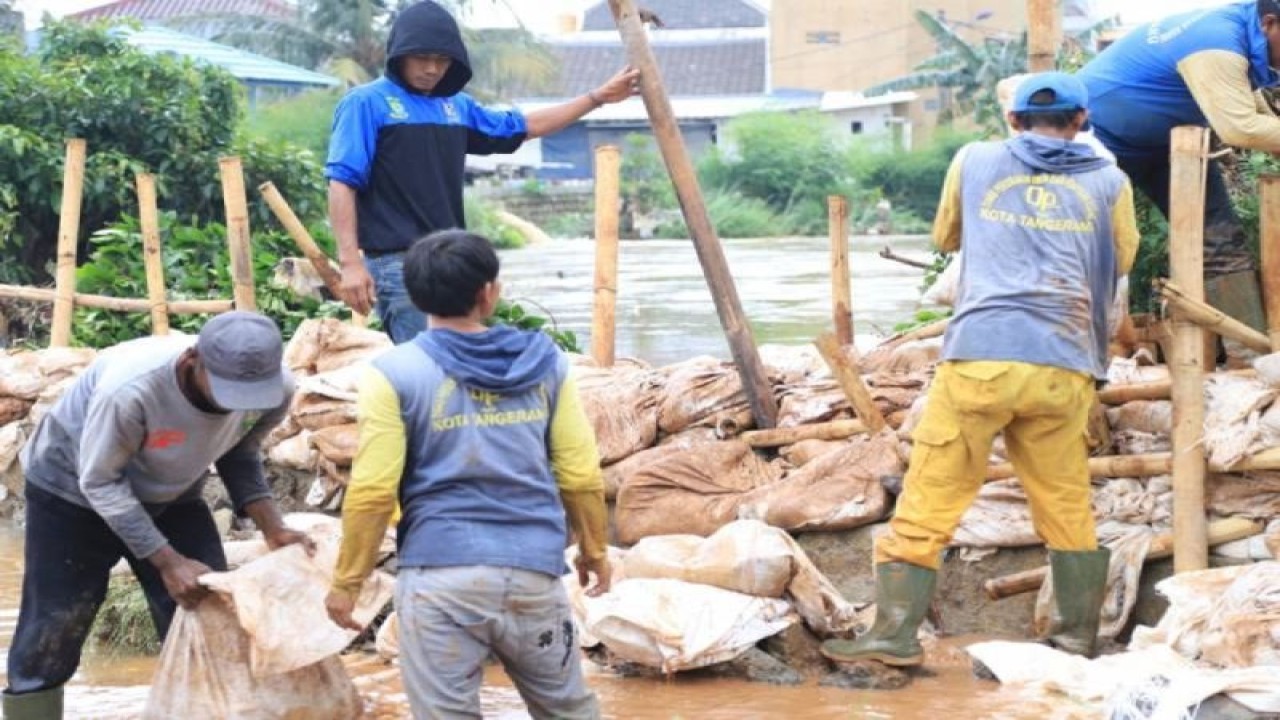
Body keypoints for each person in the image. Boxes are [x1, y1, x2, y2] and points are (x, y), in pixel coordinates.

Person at [820, 73, 1140, 669]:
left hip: (983, 359)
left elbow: (947, 236)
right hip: (1065, 365)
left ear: (1014, 121)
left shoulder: (975, 159)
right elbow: (1122, 257)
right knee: (1065, 501)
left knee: (933, 494)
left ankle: (892, 635)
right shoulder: (1110, 180)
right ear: (1081, 121)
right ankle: (1074, 640)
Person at [325, 229, 611, 719]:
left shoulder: (392, 373)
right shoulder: (546, 365)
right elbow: (580, 474)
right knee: (570, 712)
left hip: (439, 578)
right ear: (489, 292)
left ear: (414, 296)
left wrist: (349, 581)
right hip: (534, 574)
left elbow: (373, 491)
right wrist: (594, 551)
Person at [2, 312, 310, 719]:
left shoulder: (277, 389)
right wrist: (168, 561)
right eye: (227, 392)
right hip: (72, 491)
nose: (238, 404)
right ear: (191, 361)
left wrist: (274, 528)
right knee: (56, 624)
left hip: (173, 492)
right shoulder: (131, 391)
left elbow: (241, 451)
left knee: (209, 611)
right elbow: (100, 483)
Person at [326, 0, 640, 343]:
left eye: (442, 60)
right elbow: (342, 182)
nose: (432, 69)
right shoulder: (366, 103)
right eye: (422, 58)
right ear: (399, 56)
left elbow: (523, 126)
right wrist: (350, 263)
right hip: (398, 265)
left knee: (459, 363)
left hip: (452, 262)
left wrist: (596, 98)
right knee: (427, 368)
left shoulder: (456, 106)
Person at [1075, 0, 1280, 349]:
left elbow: (1254, 111)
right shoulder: (1217, 42)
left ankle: (1248, 356)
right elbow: (1241, 128)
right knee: (1084, 244)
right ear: (1270, 24)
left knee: (1219, 238)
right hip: (1093, 140)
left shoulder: (1240, 31)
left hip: (1167, 143)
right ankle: (1088, 352)